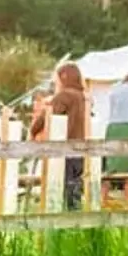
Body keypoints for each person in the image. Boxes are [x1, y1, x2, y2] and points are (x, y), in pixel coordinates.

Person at [30, 62, 91, 208]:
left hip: (66, 146)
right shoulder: (83, 97)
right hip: (81, 147)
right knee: (75, 187)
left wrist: (33, 130)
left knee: (62, 186)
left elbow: (48, 116)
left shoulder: (64, 96)